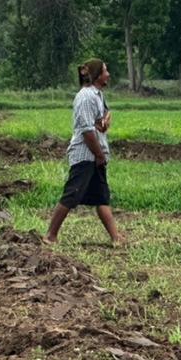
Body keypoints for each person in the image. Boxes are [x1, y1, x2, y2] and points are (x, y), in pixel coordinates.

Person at [44, 58, 126, 246]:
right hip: (86, 155)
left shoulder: (98, 95)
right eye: (105, 71)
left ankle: (115, 237)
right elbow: (87, 131)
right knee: (72, 194)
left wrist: (104, 121)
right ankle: (50, 235)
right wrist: (98, 155)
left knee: (102, 196)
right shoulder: (86, 97)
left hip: (96, 153)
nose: (108, 74)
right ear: (97, 75)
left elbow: (105, 115)